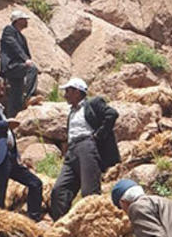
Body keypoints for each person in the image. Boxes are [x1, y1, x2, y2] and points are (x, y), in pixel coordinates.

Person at [0, 75, 43, 220]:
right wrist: (6, 124)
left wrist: (16, 155)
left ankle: (33, 219)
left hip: (9, 157)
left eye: (2, 89)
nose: (1, 93)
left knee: (35, 183)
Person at [50, 78, 120, 220]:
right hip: (72, 151)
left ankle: (95, 225)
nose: (65, 95)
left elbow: (111, 114)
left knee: (89, 191)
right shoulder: (72, 112)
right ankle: (62, 225)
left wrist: (99, 135)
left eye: (68, 91)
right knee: (59, 190)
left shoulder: (93, 103)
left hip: (87, 146)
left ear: (77, 92)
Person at [0, 10, 38, 118]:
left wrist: (27, 59)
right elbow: (13, 45)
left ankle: (13, 119)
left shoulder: (22, 37)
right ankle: (29, 97)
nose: (26, 21)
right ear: (18, 20)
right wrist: (26, 60)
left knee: (15, 95)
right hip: (11, 66)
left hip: (17, 67)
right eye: (24, 19)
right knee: (32, 69)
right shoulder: (9, 30)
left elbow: (25, 52)